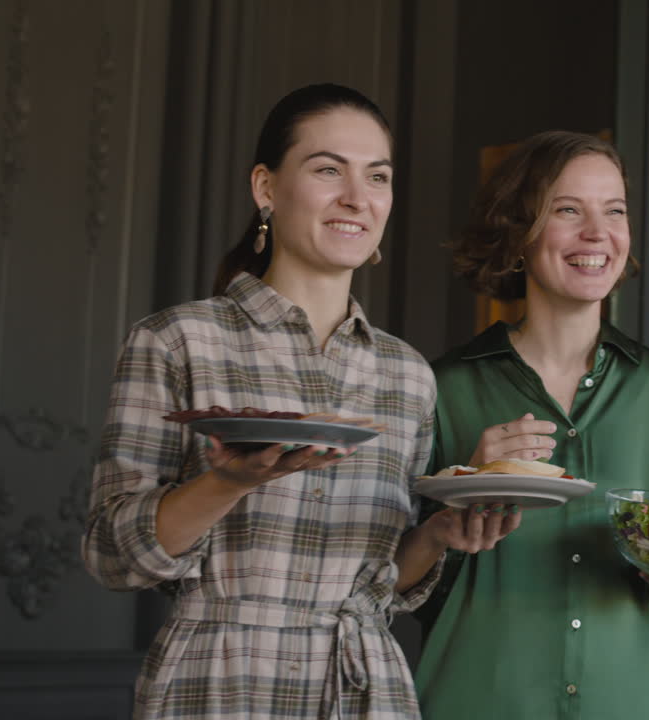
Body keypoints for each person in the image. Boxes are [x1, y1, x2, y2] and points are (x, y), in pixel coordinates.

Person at [82, 83, 515, 720]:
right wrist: (225, 483)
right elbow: (111, 555)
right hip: (219, 687)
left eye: (377, 176)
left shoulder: (407, 375)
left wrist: (437, 534)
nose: (356, 198)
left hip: (367, 692)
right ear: (265, 188)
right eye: (326, 170)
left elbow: (382, 588)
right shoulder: (178, 340)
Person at [413, 130, 649, 719]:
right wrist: (464, 491)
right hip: (479, 699)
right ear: (518, 232)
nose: (597, 233)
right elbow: (387, 580)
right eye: (567, 210)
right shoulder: (442, 388)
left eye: (615, 211)